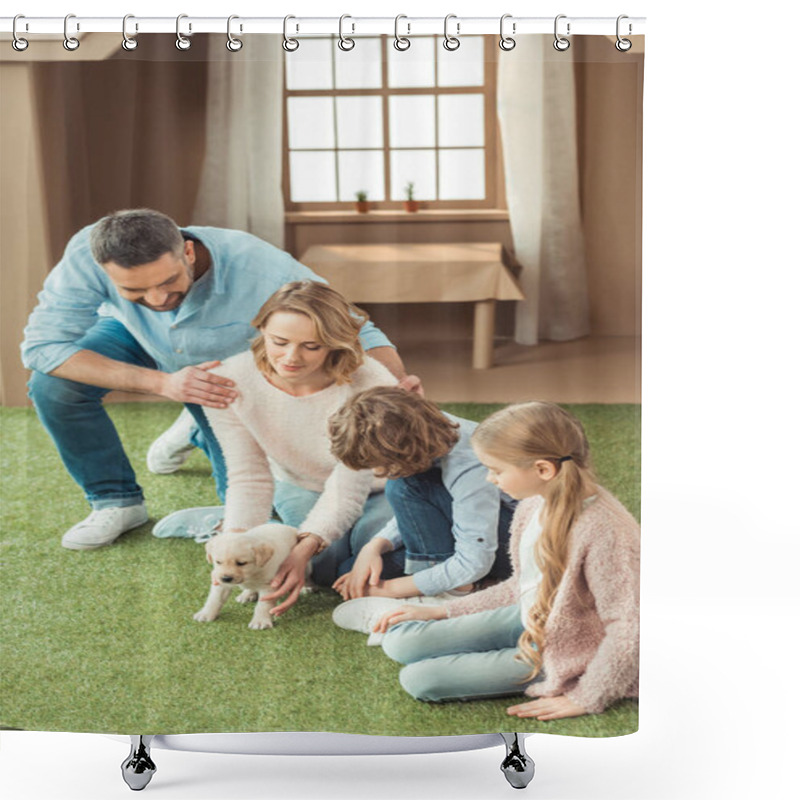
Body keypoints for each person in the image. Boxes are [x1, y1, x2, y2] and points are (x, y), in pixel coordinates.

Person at [20, 209, 420, 551]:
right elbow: (42, 347)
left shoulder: (259, 266)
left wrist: (393, 391)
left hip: (222, 374)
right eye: (135, 289)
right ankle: (116, 500)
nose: (157, 300)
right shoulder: (87, 255)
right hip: (135, 339)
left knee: (260, 510)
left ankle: (195, 426)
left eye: (167, 282)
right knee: (52, 385)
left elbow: (352, 328)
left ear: (188, 252)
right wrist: (163, 384)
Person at [345, 401, 640, 721]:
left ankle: (515, 658)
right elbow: (521, 585)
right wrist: (442, 610)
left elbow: (629, 629)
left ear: (543, 469)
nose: (489, 479)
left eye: (496, 470)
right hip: (536, 618)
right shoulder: (534, 504)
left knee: (418, 680)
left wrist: (588, 696)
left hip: (572, 648)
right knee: (399, 644)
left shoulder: (605, 531)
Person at [156, 281, 399, 615]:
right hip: (300, 481)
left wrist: (305, 547)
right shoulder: (231, 379)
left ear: (334, 344)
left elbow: (349, 483)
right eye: (279, 342)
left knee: (362, 564)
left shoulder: (370, 381)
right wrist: (236, 540)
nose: (291, 357)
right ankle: (227, 526)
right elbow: (248, 475)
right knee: (325, 567)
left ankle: (266, 528)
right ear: (262, 331)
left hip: (380, 486)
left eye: (312, 346)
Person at [326, 387, 516, 602]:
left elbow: (475, 560)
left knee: (404, 484)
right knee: (349, 572)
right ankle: (444, 576)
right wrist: (375, 545)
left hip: (513, 548)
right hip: (468, 532)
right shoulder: (424, 433)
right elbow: (416, 510)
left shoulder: (469, 465)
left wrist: (391, 589)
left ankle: (463, 589)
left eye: (384, 464)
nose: (379, 472)